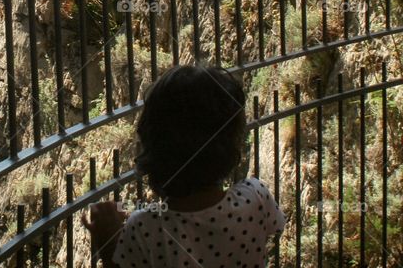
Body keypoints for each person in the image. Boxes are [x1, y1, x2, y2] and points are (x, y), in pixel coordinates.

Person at [84, 65, 286, 267]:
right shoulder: (256, 197)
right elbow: (274, 227)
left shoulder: (146, 227)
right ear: (232, 141)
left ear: (152, 143)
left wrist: (108, 241)